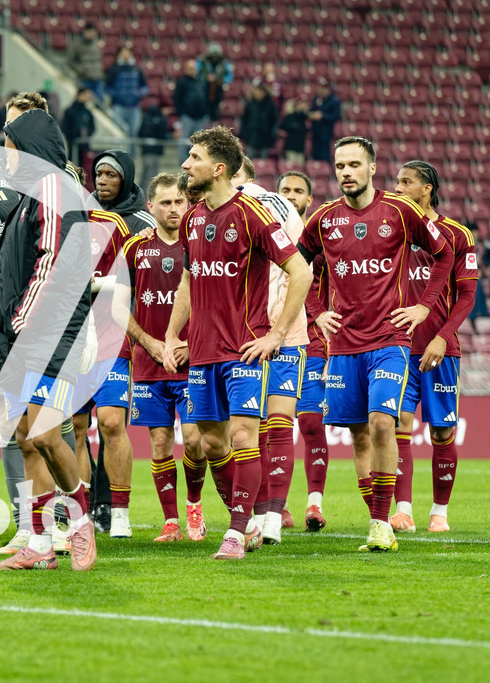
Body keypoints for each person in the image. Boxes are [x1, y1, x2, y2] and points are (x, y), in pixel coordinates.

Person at [0, 107, 97, 571]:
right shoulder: (31, 195)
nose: (3, 153)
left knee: (48, 434)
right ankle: (40, 543)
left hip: (47, 328)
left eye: (9, 144)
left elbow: (52, 261)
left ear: (28, 148)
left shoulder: (53, 188)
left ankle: (80, 524)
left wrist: (22, 320)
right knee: (28, 437)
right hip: (17, 328)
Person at [296, 137, 453, 552]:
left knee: (384, 424)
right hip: (344, 345)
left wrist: (422, 308)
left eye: (353, 164)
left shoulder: (401, 211)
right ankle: (376, 517)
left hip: (390, 340)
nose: (345, 172)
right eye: (339, 165)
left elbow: (443, 256)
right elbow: (298, 264)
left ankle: (382, 525)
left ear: (371, 167)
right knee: (359, 434)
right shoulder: (324, 219)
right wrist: (316, 310)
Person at [162, 126, 311, 560]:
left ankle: (236, 530)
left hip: (243, 348)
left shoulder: (254, 214)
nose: (186, 165)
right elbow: (189, 280)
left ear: (219, 168)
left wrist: (276, 335)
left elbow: (300, 272)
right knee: (211, 443)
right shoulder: (192, 217)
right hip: (202, 351)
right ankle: (242, 518)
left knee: (245, 436)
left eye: (194, 158)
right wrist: (173, 333)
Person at [113, 172, 208, 542]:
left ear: (189, 204)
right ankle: (171, 523)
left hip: (194, 359)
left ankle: (194, 506)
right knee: (159, 442)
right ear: (150, 207)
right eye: (165, 202)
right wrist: (148, 342)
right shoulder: (134, 248)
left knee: (196, 439)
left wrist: (189, 343)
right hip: (150, 362)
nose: (173, 208)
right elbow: (119, 308)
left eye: (179, 201)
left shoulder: (200, 244)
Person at [390, 161, 478, 533]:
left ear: (426, 189)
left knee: (442, 432)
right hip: (396, 347)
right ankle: (404, 510)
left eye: (405, 182)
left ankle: (439, 512)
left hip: (441, 349)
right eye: (396, 181)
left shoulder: (458, 235)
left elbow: (468, 295)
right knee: (398, 426)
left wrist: (443, 336)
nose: (397, 188)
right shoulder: (391, 232)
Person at [231, 158, 308, 545]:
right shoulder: (218, 209)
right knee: (257, 429)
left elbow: (302, 267)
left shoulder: (266, 203)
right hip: (252, 332)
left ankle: (269, 517)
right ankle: (262, 518)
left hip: (278, 331)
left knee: (272, 425)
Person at [77, 149, 154, 537]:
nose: (103, 180)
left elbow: (148, 275)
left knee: (110, 423)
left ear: (126, 178)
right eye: (99, 174)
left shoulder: (139, 222)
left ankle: (112, 508)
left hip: (115, 333)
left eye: (111, 174)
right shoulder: (69, 222)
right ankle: (83, 506)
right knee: (74, 425)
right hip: (71, 337)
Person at [276, 170, 330, 531]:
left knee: (310, 421)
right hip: (274, 342)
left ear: (309, 200)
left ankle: (314, 505)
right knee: (271, 426)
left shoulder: (321, 238)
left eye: (298, 191)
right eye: (285, 190)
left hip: (313, 343)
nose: (292, 195)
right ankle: (275, 506)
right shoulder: (260, 232)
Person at [105, 45, 148, 146]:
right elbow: (107, 87)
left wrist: (139, 93)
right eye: (123, 52)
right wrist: (115, 95)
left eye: (127, 52)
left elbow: (144, 87)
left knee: (133, 135)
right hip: (119, 106)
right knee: (118, 134)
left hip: (134, 107)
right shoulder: (114, 69)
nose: (125, 55)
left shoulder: (137, 69)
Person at [173, 59, 211, 162]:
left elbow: (208, 97)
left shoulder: (202, 82)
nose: (192, 70)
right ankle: (182, 161)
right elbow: (177, 98)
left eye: (194, 68)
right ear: (185, 69)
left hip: (201, 116)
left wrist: (206, 111)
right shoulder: (182, 82)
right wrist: (182, 112)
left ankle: (196, 161)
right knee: (183, 140)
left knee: (199, 141)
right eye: (190, 68)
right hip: (187, 116)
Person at [240, 80, 279, 160]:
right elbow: (244, 119)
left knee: (262, 161)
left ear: (264, 92)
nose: (257, 93)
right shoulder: (250, 103)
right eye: (256, 90)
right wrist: (245, 133)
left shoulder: (271, 105)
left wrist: (271, 134)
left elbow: (274, 121)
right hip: (251, 136)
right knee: (249, 160)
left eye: (259, 91)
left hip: (265, 137)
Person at [67, 24, 105, 102]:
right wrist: (81, 70)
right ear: (85, 31)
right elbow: (70, 61)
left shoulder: (96, 43)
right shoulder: (77, 44)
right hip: (84, 79)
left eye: (94, 32)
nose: (92, 34)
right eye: (90, 31)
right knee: (83, 101)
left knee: (100, 103)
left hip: (97, 78)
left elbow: (98, 59)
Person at [197, 43, 233, 122]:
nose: (214, 59)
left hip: (218, 90)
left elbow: (229, 76)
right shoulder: (202, 62)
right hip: (204, 89)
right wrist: (206, 78)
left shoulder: (224, 63)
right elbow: (197, 74)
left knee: (216, 109)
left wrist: (221, 80)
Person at [308, 78, 341, 164]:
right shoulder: (316, 99)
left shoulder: (334, 101)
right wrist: (312, 115)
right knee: (315, 153)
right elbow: (311, 110)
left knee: (324, 154)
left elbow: (336, 115)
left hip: (326, 132)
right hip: (315, 131)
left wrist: (323, 116)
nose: (320, 90)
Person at [138, 98, 170, 186]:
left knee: (145, 174)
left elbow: (139, 133)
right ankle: (148, 197)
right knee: (152, 175)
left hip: (145, 150)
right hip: (155, 151)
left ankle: (140, 195)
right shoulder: (161, 119)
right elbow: (162, 135)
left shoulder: (145, 118)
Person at [61, 88, 96, 166]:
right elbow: (64, 127)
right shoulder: (69, 111)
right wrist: (73, 136)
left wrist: (86, 135)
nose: (88, 97)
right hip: (73, 144)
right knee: (72, 166)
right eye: (86, 95)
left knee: (84, 167)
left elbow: (92, 127)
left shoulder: (87, 112)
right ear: (79, 95)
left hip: (85, 146)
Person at [279, 99, 309, 166]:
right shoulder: (289, 117)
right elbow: (285, 127)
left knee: (300, 169)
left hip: (300, 147)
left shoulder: (303, 118)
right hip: (291, 146)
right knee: (292, 167)